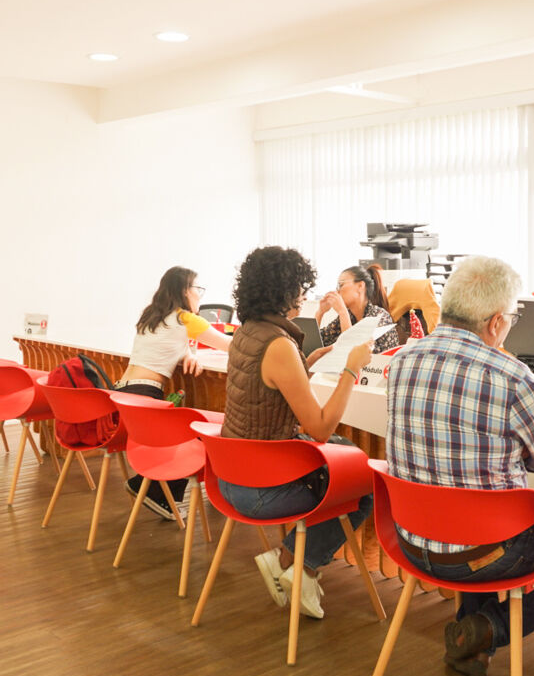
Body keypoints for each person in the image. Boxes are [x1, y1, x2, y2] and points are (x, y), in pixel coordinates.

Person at [385, 255, 534, 676]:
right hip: (487, 552)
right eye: (511, 317)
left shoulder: (400, 361)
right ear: (495, 323)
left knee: (474, 507)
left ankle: (469, 644)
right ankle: (487, 629)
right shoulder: (513, 377)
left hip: (414, 543)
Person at [219, 245, 375, 620]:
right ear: (285, 292)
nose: (305, 297)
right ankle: (299, 568)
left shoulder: (248, 333)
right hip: (262, 489)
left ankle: (285, 559)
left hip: (231, 477)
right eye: (301, 289)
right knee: (362, 484)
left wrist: (304, 363)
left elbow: (265, 390)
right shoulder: (278, 345)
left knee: (345, 460)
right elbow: (320, 429)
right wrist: (351, 369)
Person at [118, 266, 232, 519]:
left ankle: (146, 485)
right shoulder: (186, 319)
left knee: (181, 434)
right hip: (146, 395)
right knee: (197, 433)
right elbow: (232, 346)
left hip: (125, 392)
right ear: (184, 291)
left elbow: (165, 346)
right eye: (197, 289)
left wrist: (188, 353)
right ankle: (154, 492)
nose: (200, 295)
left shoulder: (151, 316)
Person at [314, 264, 399, 355]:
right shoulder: (349, 316)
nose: (337, 291)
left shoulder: (379, 316)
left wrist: (343, 312)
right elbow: (317, 343)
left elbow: (356, 354)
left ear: (360, 286)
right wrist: (320, 313)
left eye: (341, 285)